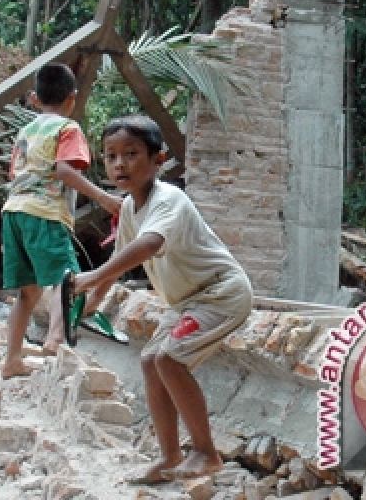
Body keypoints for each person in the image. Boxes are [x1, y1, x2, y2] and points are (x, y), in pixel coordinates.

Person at [72, 115, 252, 482]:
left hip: (220, 293)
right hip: (188, 301)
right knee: (151, 359)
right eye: (110, 156)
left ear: (158, 160)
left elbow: (149, 244)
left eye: (131, 154)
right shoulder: (127, 208)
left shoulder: (169, 199)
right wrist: (90, 305)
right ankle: (169, 456)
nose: (119, 164)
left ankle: (207, 453)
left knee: (170, 359)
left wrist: (91, 277)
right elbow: (119, 259)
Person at [0, 63, 122, 379]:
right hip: (45, 213)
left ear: (34, 98)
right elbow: (66, 172)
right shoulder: (68, 130)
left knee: (27, 293)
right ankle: (55, 339)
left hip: (14, 212)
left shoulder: (26, 132)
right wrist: (106, 199)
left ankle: (12, 361)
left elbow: (14, 174)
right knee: (68, 280)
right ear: (73, 99)